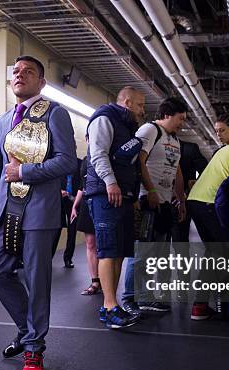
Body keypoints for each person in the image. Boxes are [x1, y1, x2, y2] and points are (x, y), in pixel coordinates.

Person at [0, 55, 76, 370]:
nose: (20, 75)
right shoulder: (3, 121)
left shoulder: (55, 113)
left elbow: (68, 161)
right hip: (5, 213)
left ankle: (33, 349)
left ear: (41, 82)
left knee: (37, 281)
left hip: (39, 214)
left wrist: (25, 171)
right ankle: (25, 328)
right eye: (15, 71)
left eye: (28, 72)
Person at [84, 86, 145, 329]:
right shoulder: (104, 118)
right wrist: (111, 182)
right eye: (140, 105)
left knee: (118, 250)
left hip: (123, 194)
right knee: (108, 250)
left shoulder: (127, 126)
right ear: (127, 102)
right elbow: (97, 154)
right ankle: (109, 307)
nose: (142, 110)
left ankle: (112, 304)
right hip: (105, 193)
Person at [121, 97, 188, 317]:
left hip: (165, 203)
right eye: (180, 118)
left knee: (157, 253)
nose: (182, 123)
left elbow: (176, 171)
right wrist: (149, 191)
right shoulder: (149, 131)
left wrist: (181, 200)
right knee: (141, 252)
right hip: (146, 200)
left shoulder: (175, 140)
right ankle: (130, 298)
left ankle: (147, 297)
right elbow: (138, 161)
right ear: (168, 115)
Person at [186, 114, 229, 321]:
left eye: (221, 130)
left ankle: (200, 305)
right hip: (208, 203)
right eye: (216, 130)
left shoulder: (226, 150)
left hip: (197, 201)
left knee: (214, 253)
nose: (218, 134)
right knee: (228, 253)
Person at [71, 155, 100, 295]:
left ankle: (106, 279)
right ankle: (95, 281)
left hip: (102, 202)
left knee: (104, 244)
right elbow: (82, 186)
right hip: (87, 203)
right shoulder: (85, 161)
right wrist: (74, 206)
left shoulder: (106, 156)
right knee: (90, 243)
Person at [171, 139, 208, 242]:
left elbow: (205, 171)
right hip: (159, 198)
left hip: (183, 199)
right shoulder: (155, 146)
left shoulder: (189, 148)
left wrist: (193, 185)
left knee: (180, 241)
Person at [52, 158, 82, 267]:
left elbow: (82, 183)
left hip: (74, 201)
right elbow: (51, 181)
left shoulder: (80, 163)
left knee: (72, 230)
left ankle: (68, 258)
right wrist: (57, 191)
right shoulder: (58, 163)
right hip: (59, 200)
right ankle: (49, 256)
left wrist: (76, 198)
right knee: (56, 229)